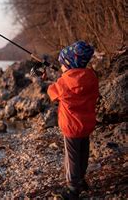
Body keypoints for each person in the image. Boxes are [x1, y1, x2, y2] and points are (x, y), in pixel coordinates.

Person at [47, 41, 99, 199]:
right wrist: (66, 75)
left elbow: (52, 93)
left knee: (72, 159)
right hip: (86, 125)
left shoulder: (63, 83)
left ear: (69, 65)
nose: (61, 67)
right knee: (83, 154)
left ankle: (72, 188)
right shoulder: (92, 77)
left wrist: (51, 80)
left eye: (62, 64)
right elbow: (76, 83)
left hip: (71, 128)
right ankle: (81, 180)